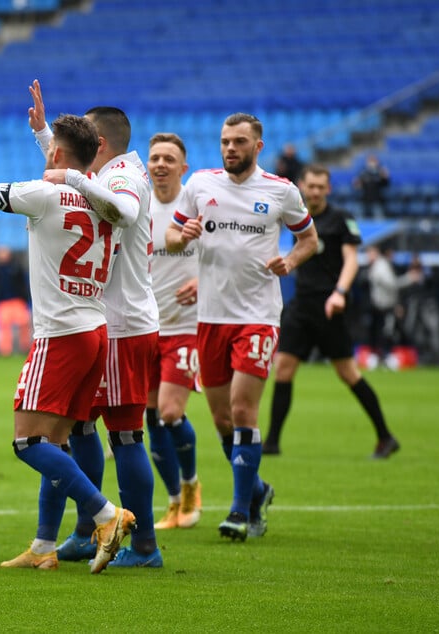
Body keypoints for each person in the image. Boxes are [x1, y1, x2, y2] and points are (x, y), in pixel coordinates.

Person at [0, 102, 138, 572]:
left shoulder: (44, 194)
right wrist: (48, 140)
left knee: (28, 444)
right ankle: (43, 546)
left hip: (60, 334)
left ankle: (107, 515)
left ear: (55, 153)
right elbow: (76, 178)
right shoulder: (104, 202)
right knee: (56, 444)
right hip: (94, 330)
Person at [165, 112, 318, 541]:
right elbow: (173, 237)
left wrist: (289, 260)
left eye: (239, 142)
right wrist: (185, 234)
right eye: (225, 141)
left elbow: (310, 239)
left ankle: (239, 512)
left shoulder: (281, 191)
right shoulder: (200, 185)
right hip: (210, 317)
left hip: (257, 317)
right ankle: (257, 490)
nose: (230, 148)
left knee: (242, 409)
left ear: (258, 146)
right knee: (220, 420)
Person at [28, 81, 161, 568]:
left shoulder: (125, 175)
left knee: (124, 435)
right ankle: (89, 528)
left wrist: (60, 156)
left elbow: (114, 204)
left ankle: (144, 545)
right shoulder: (110, 169)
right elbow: (78, 174)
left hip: (124, 324)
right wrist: (44, 132)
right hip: (102, 324)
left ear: (100, 146)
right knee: (79, 427)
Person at [262, 165, 400, 459]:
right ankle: (272, 443)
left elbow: (352, 261)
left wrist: (340, 293)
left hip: (329, 306)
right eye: (310, 186)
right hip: (301, 306)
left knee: (348, 373)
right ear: (301, 185)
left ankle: (385, 437)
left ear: (328, 189)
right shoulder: (297, 217)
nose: (314, 191)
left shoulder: (341, 219)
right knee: (283, 369)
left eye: (320, 187)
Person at [143, 133, 202, 531]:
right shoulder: (136, 206)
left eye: (169, 158)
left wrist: (204, 281)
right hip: (146, 326)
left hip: (186, 325)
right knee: (149, 416)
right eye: (154, 158)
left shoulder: (198, 206)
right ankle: (173, 501)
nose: (160, 164)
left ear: (183, 168)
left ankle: (191, 483)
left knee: (169, 411)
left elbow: (228, 256)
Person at [0, 245, 31, 356]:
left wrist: (24, 296)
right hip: (3, 302)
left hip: (18, 300)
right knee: (4, 327)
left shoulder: (16, 267)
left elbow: (23, 283)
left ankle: (25, 348)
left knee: (24, 324)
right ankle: (5, 351)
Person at [352, 154, 390, 219]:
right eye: (370, 161)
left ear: (377, 162)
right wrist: (356, 184)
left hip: (377, 198)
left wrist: (385, 177)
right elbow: (357, 186)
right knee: (358, 213)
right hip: (365, 198)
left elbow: (386, 184)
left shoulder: (381, 172)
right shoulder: (363, 172)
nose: (372, 163)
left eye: (373, 161)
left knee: (379, 217)